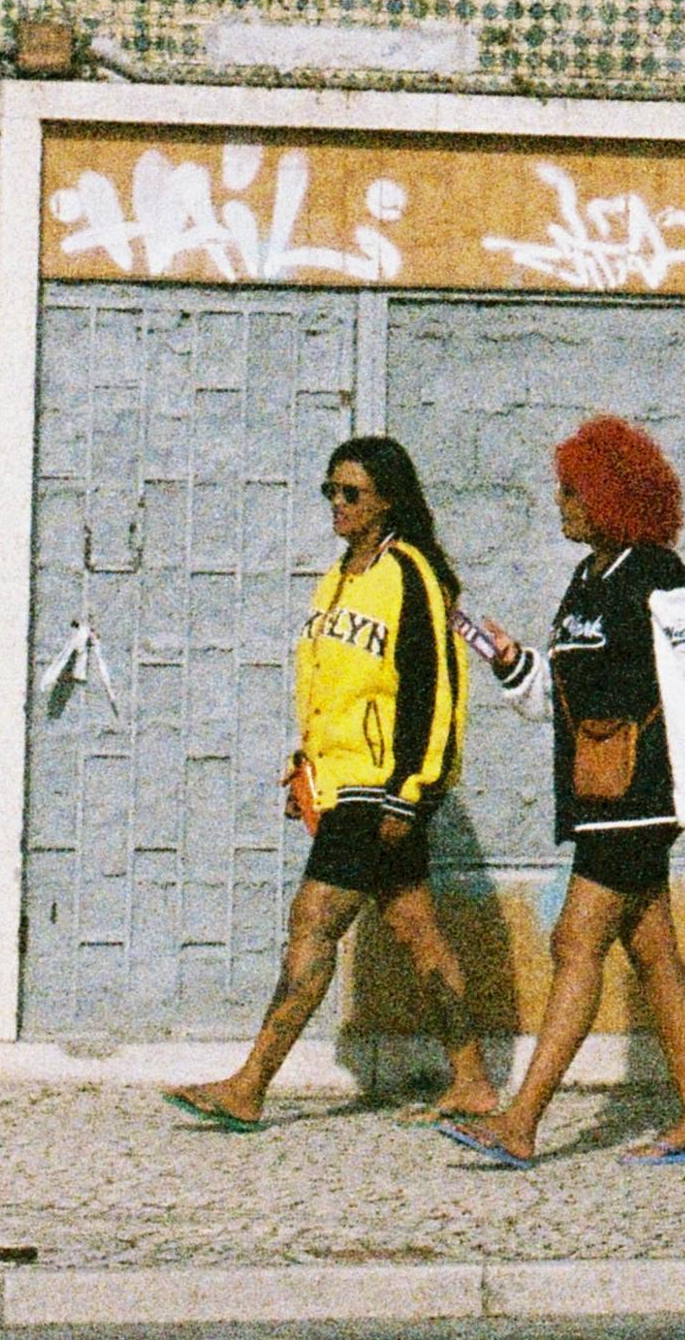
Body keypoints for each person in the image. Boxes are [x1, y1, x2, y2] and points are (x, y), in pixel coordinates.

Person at [172, 435, 501, 1131]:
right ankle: (472, 1078)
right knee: (417, 931)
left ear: (387, 499)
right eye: (331, 491)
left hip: (378, 790)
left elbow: (435, 690)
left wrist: (411, 791)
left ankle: (250, 1084)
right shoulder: (339, 577)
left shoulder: (411, 572)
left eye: (351, 493)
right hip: (340, 785)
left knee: (313, 921)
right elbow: (331, 687)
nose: (338, 504)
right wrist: (307, 766)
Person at [448, 415, 685, 1167]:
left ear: (612, 498)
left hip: (636, 798)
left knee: (574, 941)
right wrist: (511, 660)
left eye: (573, 492)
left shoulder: (654, 583)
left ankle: (519, 1123)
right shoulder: (587, 580)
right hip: (595, 795)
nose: (561, 505)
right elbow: (561, 692)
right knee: (655, 956)